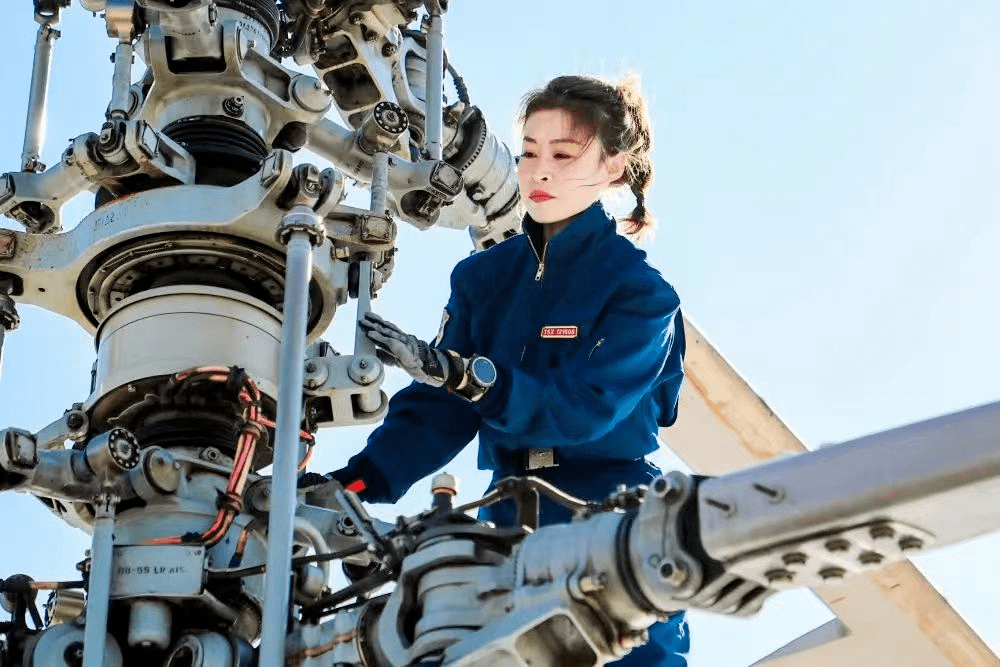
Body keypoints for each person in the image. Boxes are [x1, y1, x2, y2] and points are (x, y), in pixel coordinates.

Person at [318, 74, 688, 665]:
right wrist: (355, 486)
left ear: (614, 168)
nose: (540, 172)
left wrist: (469, 377)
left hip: (613, 518)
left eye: (564, 156)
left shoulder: (641, 295)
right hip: (508, 518)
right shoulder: (484, 280)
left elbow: (584, 408)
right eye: (529, 154)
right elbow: (438, 414)